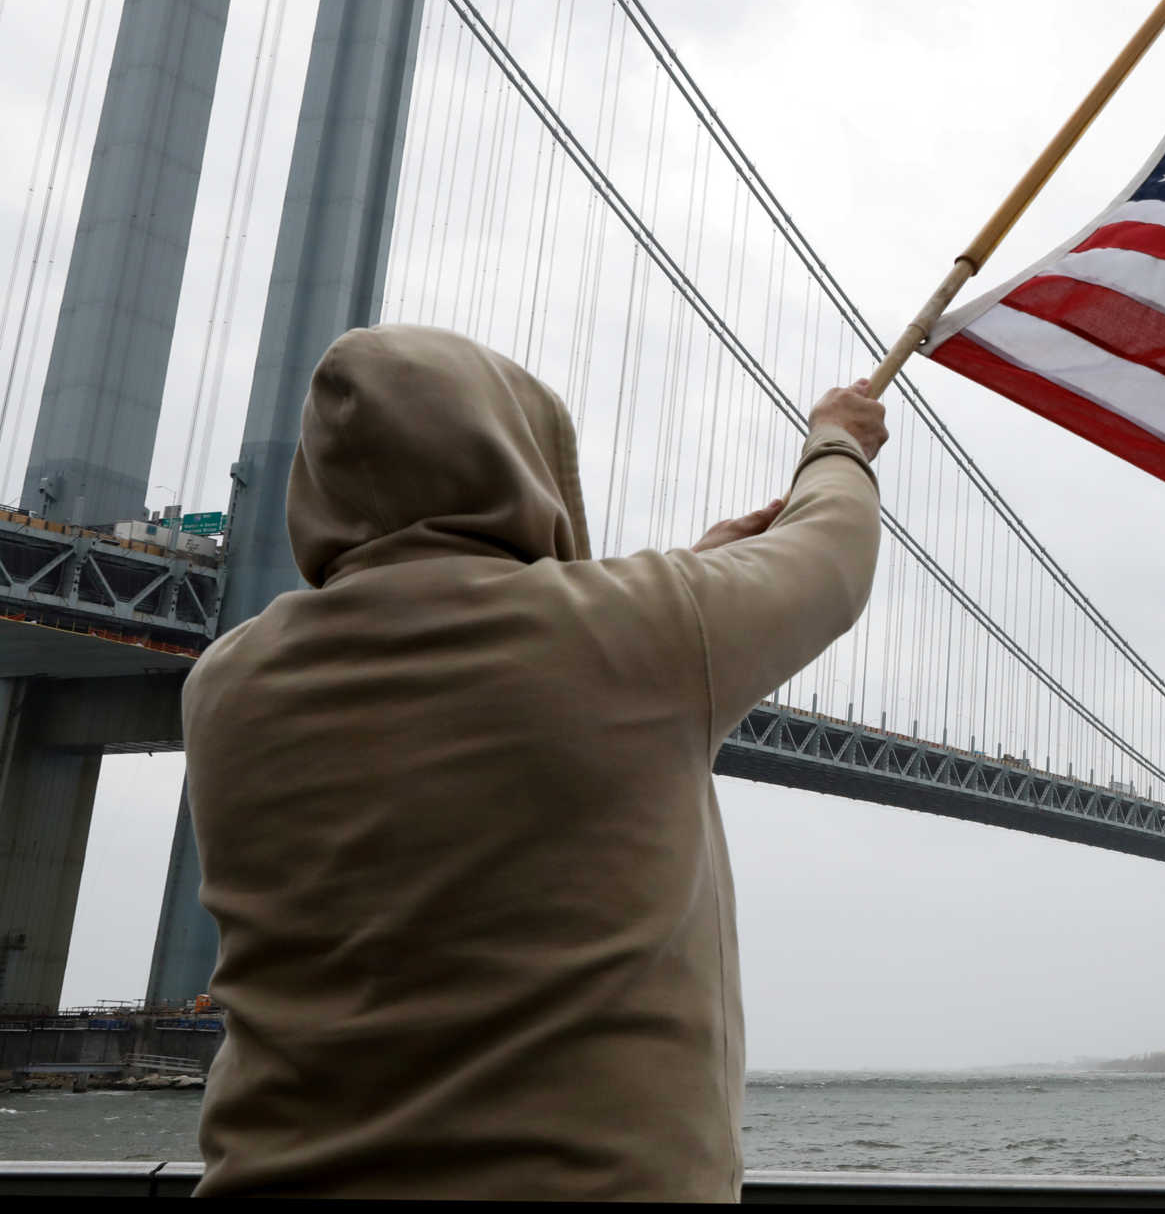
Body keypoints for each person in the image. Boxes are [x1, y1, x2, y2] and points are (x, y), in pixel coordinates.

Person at [182, 324, 887, 1199]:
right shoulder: (643, 634)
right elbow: (832, 555)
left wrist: (690, 590)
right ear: (521, 455)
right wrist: (837, 441)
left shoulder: (226, 683)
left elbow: (513, 690)